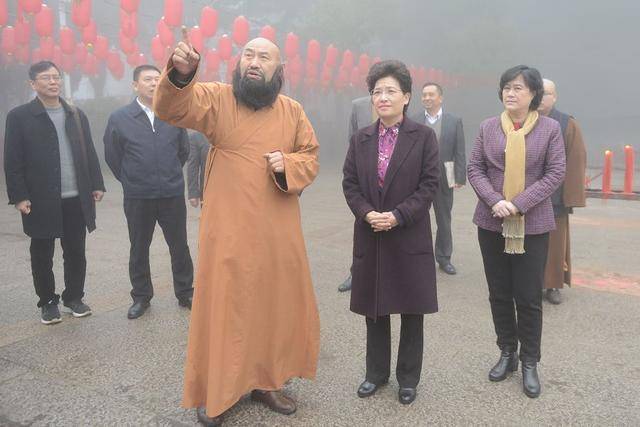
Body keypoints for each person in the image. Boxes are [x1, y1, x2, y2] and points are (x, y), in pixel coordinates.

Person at [154, 35, 320, 426]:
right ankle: (217, 391)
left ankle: (268, 380)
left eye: (264, 57)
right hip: (228, 227)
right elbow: (173, 108)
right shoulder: (217, 98)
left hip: (277, 229)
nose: (254, 62)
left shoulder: (292, 111)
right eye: (248, 54)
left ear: (278, 71)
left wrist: (288, 164)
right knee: (225, 305)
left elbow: (310, 158)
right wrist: (181, 75)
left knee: (273, 304)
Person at [343, 60, 440, 405]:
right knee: (375, 307)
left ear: (406, 97)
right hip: (371, 233)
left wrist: (398, 215)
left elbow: (430, 185)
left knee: (411, 310)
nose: (382, 97)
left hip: (408, 234)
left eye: (390, 91)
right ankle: (376, 374)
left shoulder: (423, 137)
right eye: (377, 92)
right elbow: (350, 184)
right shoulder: (361, 138)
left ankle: (408, 378)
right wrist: (367, 212)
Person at [467, 65, 566, 398]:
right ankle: (507, 352)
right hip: (491, 222)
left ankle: (529, 362)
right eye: (507, 87)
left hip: (532, 225)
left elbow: (555, 174)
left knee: (527, 297)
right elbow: (475, 168)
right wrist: (496, 201)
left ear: (533, 94)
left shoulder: (550, 129)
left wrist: (519, 203)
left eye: (518, 88)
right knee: (498, 292)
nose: (511, 93)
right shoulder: (487, 127)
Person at [4, 61, 105, 324]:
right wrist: (19, 196)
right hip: (40, 199)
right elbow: (12, 160)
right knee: (42, 252)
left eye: (56, 77)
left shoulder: (75, 113)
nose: (53, 82)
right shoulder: (19, 116)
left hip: (75, 196)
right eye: (46, 78)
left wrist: (96, 183)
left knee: (75, 251)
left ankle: (74, 297)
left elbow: (89, 151)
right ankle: (48, 301)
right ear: (32, 84)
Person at [104, 64, 194, 320]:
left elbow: (183, 151)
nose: (154, 83)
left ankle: (185, 292)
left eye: (158, 79)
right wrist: (132, 179)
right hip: (138, 196)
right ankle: (141, 297)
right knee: (139, 248)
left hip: (171, 194)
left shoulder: (172, 114)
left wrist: (168, 175)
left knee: (179, 246)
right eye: (148, 79)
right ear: (135, 85)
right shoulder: (120, 118)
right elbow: (113, 156)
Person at [538, 79, 587, 304]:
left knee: (555, 246)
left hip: (555, 198)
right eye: (537, 92)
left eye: (546, 93)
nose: (541, 97)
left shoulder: (567, 124)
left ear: (555, 97)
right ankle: (528, 283)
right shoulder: (524, 120)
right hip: (526, 196)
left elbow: (576, 161)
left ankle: (552, 285)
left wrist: (570, 197)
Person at [413, 82, 466, 275]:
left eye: (431, 94)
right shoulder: (414, 119)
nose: (427, 98)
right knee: (417, 219)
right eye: (424, 95)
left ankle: (444, 258)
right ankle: (419, 257)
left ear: (440, 97)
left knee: (444, 219)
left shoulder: (454, 120)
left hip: (445, 176)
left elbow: (459, 150)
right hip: (419, 179)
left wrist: (459, 176)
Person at [338, 96, 378, 292]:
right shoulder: (358, 105)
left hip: (392, 172)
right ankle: (356, 274)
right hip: (365, 174)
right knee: (362, 226)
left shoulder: (395, 101)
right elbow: (351, 137)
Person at [186, 130, 210, 208]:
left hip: (231, 190)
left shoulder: (231, 134)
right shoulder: (196, 137)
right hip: (207, 191)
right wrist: (193, 193)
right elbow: (193, 166)